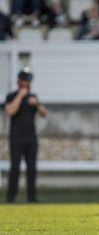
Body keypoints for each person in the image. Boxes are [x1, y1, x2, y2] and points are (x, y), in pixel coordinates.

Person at [4, 67, 47, 203]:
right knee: (15, 168)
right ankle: (11, 197)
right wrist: (20, 96)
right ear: (19, 81)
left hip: (31, 138)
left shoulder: (33, 98)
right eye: (24, 80)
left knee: (32, 168)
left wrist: (37, 104)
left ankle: (32, 197)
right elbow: (10, 111)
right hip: (16, 138)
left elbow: (44, 113)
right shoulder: (11, 96)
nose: (26, 83)